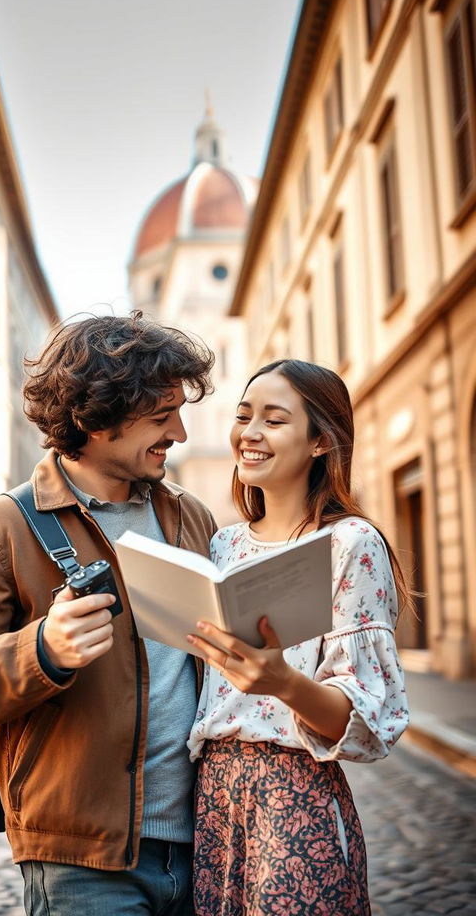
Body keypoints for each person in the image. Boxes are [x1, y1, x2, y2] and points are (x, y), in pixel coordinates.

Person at [0, 312, 216, 916]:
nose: (179, 433)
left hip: (209, 841)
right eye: (161, 417)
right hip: (82, 864)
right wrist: (40, 650)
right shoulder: (3, 525)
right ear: (97, 420)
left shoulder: (191, 516)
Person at [186, 359, 410, 916]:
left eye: (274, 419)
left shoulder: (350, 543)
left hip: (297, 797)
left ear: (319, 442)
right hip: (211, 796)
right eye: (243, 416)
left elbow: (368, 722)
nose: (250, 433)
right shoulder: (220, 547)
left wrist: (282, 681)